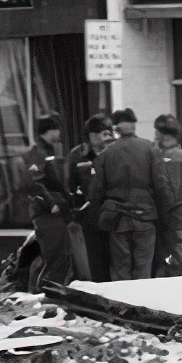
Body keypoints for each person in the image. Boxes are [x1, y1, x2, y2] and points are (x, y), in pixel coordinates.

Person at [87, 107, 166, 281]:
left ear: (116, 128)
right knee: (144, 267)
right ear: (134, 126)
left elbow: (95, 193)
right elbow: (161, 186)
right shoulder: (151, 149)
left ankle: (121, 306)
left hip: (117, 219)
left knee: (120, 269)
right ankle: (141, 305)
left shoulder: (105, 154)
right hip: (145, 217)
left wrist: (101, 216)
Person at [16, 114, 73, 289]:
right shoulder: (39, 153)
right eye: (57, 129)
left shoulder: (47, 152)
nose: (59, 133)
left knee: (57, 258)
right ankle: (47, 297)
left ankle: (44, 293)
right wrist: (52, 204)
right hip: (48, 214)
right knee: (57, 258)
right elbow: (35, 181)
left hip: (49, 213)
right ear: (50, 131)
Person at [65, 113, 116, 283]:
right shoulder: (78, 154)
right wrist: (76, 207)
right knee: (95, 260)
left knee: (115, 259)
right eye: (93, 133)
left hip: (113, 214)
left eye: (101, 132)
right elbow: (70, 185)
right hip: (90, 216)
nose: (96, 137)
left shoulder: (115, 151)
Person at [153, 113, 182, 275]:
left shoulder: (170, 158)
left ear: (163, 134)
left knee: (174, 263)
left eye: (157, 132)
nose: (155, 136)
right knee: (177, 259)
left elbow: (168, 195)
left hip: (173, 221)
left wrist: (160, 217)